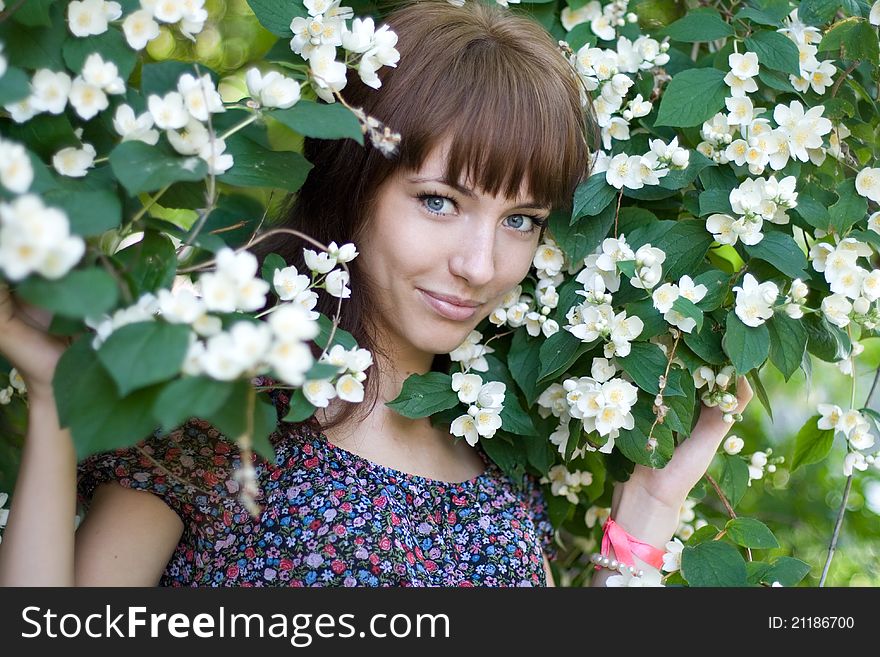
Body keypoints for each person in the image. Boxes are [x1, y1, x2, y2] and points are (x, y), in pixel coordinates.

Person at [0, 0, 751, 587]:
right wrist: (49, 399)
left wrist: (650, 502)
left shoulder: (500, 474)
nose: (480, 263)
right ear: (354, 186)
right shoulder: (225, 417)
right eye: (438, 201)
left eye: (520, 220)